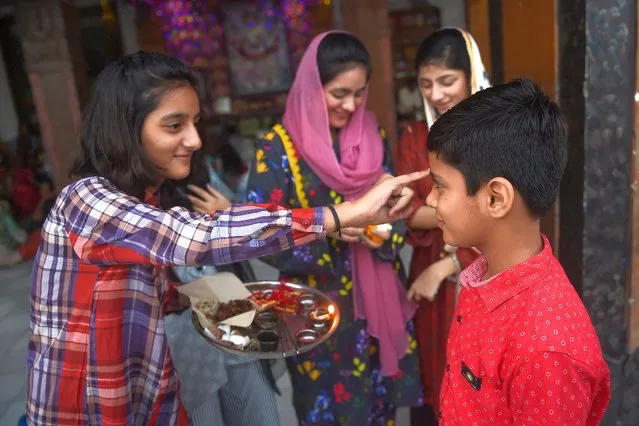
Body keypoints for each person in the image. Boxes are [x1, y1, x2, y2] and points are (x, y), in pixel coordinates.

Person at [26, 51, 425, 426]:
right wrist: (343, 215)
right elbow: (190, 238)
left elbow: (139, 291)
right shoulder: (85, 200)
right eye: (173, 125)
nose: (195, 140)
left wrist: (210, 294)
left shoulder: (143, 199)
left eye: (195, 122)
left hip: (146, 398)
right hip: (84, 410)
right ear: (125, 130)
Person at [245, 31, 422, 425]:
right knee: (325, 410)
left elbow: (389, 206)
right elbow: (259, 234)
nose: (351, 104)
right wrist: (330, 227)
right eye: (339, 93)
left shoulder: (371, 135)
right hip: (318, 312)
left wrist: (387, 223)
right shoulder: (278, 148)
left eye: (359, 93)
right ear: (312, 86)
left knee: (381, 409)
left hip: (375, 308)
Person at [427, 77, 610, 424]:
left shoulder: (545, 351)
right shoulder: (484, 275)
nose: (429, 199)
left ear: (496, 198)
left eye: (439, 186)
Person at [395, 28, 490, 423]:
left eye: (447, 81)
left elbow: (503, 217)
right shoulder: (416, 136)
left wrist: (446, 265)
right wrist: (468, 210)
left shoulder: (496, 133)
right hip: (429, 279)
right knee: (437, 370)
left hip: (484, 269)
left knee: (482, 377)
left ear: (471, 75)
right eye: (425, 84)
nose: (436, 94)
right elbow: (406, 212)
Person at [164, 149, 281, 426]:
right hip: (185, 343)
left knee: (260, 413)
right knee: (204, 415)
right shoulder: (132, 199)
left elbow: (253, 234)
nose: (190, 139)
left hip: (234, 317)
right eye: (174, 126)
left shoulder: (200, 172)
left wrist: (231, 215)